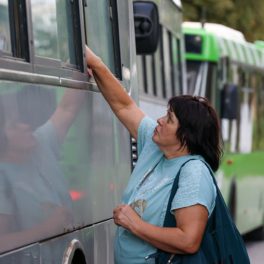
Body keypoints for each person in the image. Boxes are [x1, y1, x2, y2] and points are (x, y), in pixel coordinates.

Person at [85, 46, 223, 264]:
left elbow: (188, 240)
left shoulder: (194, 172)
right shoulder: (156, 144)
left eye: (169, 119)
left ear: (185, 135)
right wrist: (94, 63)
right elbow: (123, 106)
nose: (159, 120)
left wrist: (134, 224)